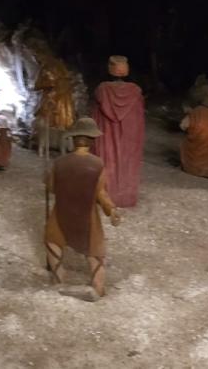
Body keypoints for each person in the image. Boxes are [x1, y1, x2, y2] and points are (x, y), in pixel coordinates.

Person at [45, 117, 122, 298]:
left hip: (62, 211)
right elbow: (100, 193)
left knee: (52, 240)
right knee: (94, 250)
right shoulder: (97, 164)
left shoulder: (60, 162)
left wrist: (46, 179)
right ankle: (98, 285)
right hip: (87, 215)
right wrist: (111, 209)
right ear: (92, 140)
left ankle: (58, 275)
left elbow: (52, 188)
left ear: (73, 139)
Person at [92, 55, 145, 207]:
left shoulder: (102, 90)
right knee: (128, 161)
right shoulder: (135, 91)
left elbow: (95, 114)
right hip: (129, 134)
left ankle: (106, 195)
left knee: (107, 159)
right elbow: (139, 116)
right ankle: (125, 197)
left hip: (107, 133)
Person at [30, 39, 75, 132]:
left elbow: (50, 82)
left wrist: (39, 85)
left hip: (55, 97)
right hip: (61, 95)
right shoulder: (56, 64)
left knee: (53, 118)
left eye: (36, 55)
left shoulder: (49, 66)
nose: (36, 58)